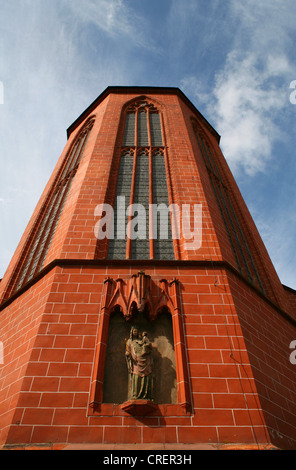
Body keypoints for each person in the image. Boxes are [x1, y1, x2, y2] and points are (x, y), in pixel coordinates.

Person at [125, 326, 153, 401]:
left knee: (146, 375)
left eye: (136, 331)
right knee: (136, 376)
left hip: (144, 360)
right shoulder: (129, 341)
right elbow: (128, 351)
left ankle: (146, 395)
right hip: (136, 361)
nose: (135, 333)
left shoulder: (141, 340)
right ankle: (136, 394)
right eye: (134, 331)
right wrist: (128, 354)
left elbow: (148, 347)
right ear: (131, 332)